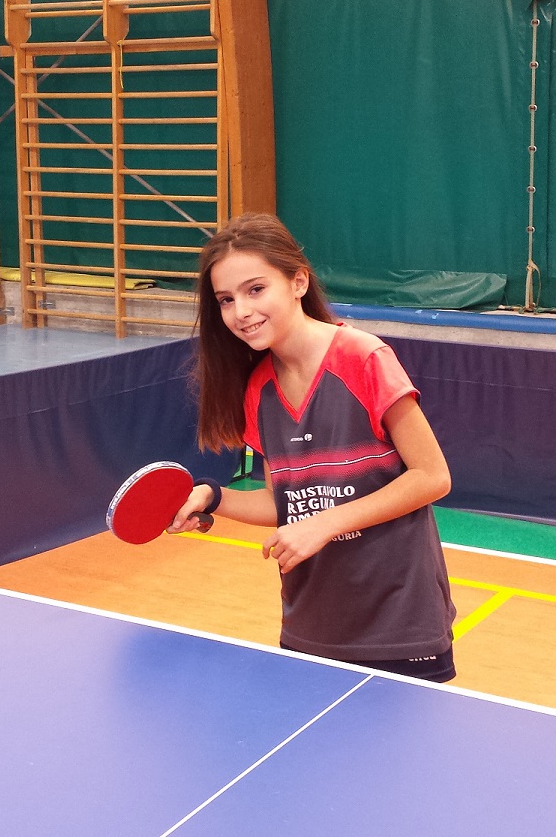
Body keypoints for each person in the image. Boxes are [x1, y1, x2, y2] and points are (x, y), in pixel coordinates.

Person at [169, 213, 457, 682]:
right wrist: (211, 496)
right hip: (312, 622)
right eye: (226, 299)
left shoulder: (363, 358)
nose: (241, 311)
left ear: (298, 282)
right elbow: (284, 502)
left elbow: (432, 476)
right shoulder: (258, 389)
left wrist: (324, 524)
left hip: (400, 621)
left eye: (255, 289)